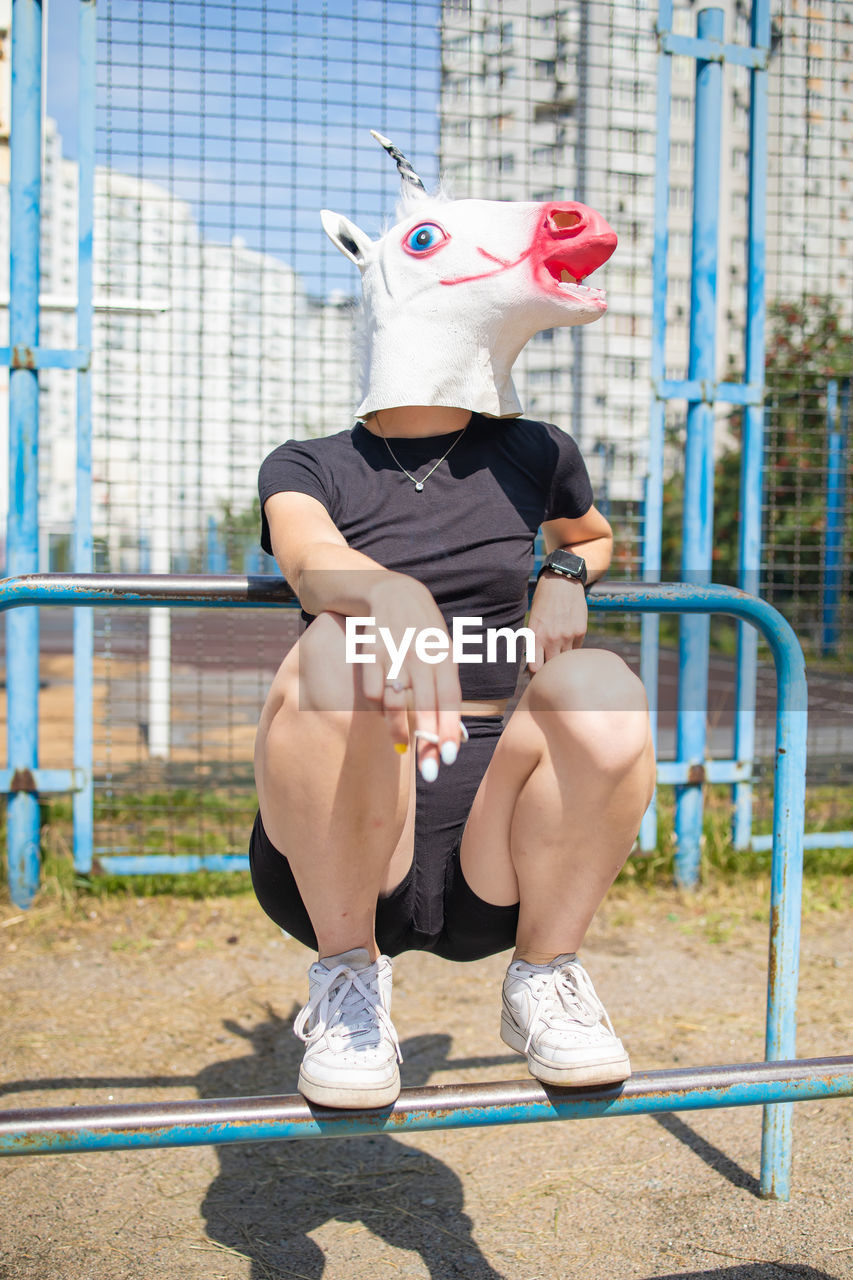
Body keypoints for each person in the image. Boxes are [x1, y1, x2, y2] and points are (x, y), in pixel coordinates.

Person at [249, 137, 656, 1110]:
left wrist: (563, 567)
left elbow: (591, 535)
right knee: (333, 650)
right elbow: (305, 553)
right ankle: (349, 978)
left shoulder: (534, 451)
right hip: (350, 836)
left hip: (494, 838)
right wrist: (388, 597)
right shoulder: (309, 464)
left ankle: (544, 976)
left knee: (604, 686)